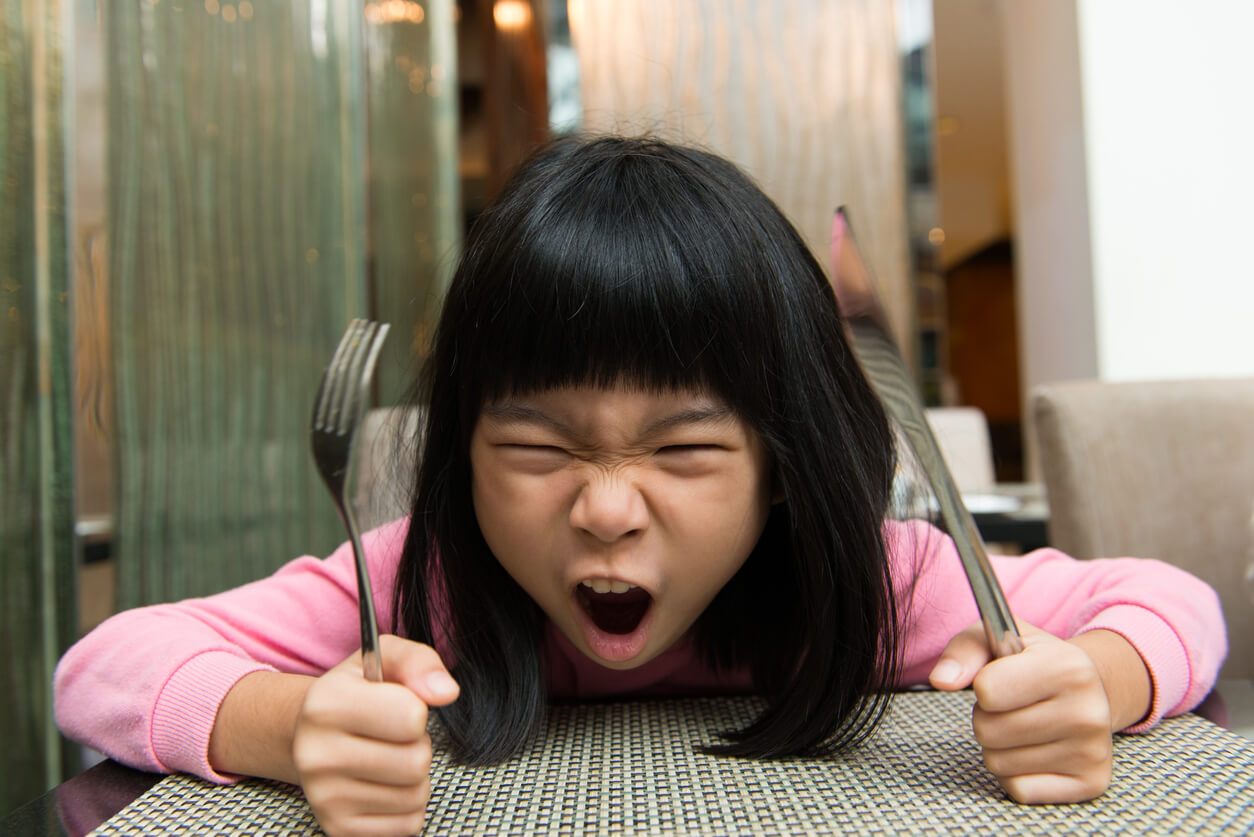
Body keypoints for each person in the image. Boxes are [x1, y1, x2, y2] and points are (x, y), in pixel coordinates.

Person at [55, 135, 1227, 837]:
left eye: (683, 452)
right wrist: (295, 721)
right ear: (462, 454)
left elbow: (1172, 603)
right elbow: (105, 666)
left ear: (782, 469)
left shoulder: (876, 583)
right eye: (539, 451)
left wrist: (1099, 685)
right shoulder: (420, 586)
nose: (608, 509)